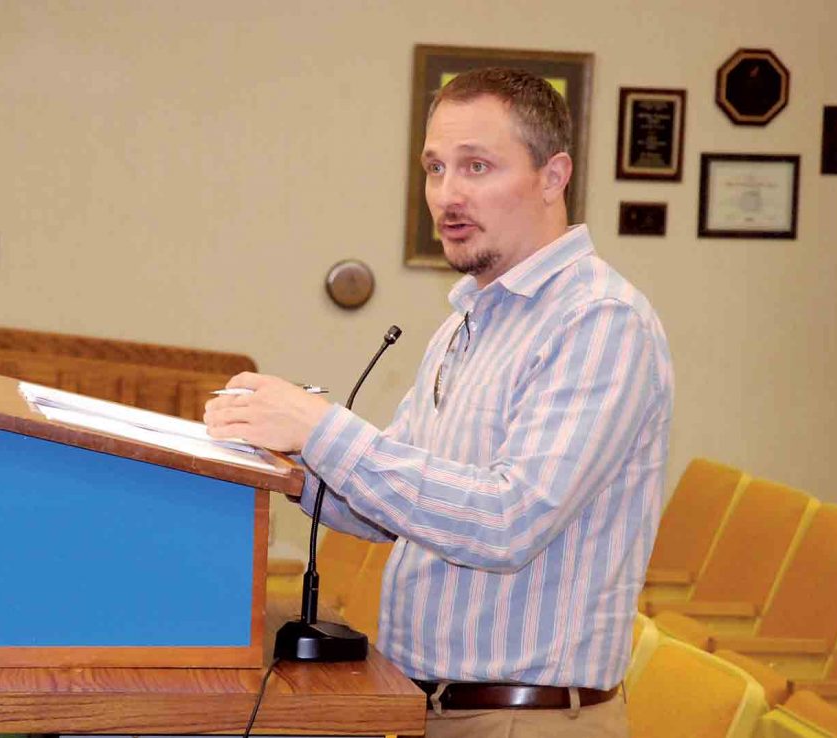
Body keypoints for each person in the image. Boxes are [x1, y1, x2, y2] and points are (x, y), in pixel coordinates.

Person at [205, 67, 673, 738]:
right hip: (423, 702)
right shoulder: (466, 322)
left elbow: (507, 522)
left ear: (553, 176)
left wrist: (321, 429)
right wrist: (278, 459)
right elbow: (389, 508)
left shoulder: (598, 322)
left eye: (477, 166)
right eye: (434, 168)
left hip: (524, 719)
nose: (447, 195)